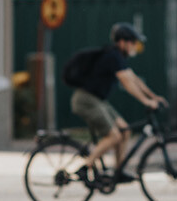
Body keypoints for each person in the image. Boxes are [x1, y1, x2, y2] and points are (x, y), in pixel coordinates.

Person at [67, 23, 167, 181]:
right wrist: (146, 102)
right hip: (86, 100)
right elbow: (127, 84)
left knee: (125, 131)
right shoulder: (113, 56)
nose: (134, 46)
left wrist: (153, 97)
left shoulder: (118, 57)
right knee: (114, 136)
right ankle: (86, 166)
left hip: (98, 100)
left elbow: (133, 79)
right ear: (122, 42)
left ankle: (118, 171)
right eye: (133, 42)